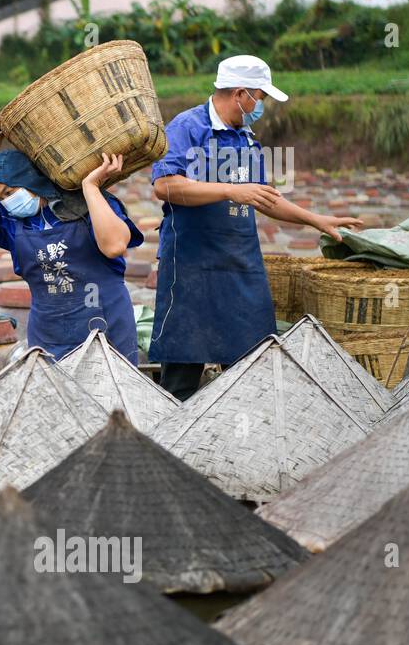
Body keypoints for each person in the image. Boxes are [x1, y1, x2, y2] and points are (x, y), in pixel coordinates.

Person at [149, 55, 364, 400]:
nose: (260, 107)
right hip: (190, 266)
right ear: (240, 94)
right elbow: (165, 185)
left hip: (240, 263)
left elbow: (265, 198)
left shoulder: (246, 138)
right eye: (259, 99)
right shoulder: (187, 127)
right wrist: (231, 190)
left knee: (251, 368)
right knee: (182, 371)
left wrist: (315, 219)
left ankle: (239, 441)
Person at [0, 117, 144, 362]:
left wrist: (90, 187)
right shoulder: (10, 220)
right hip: (48, 334)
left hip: (106, 326)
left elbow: (114, 246)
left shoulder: (87, 203)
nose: (6, 201)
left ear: (31, 181)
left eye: (10, 192)